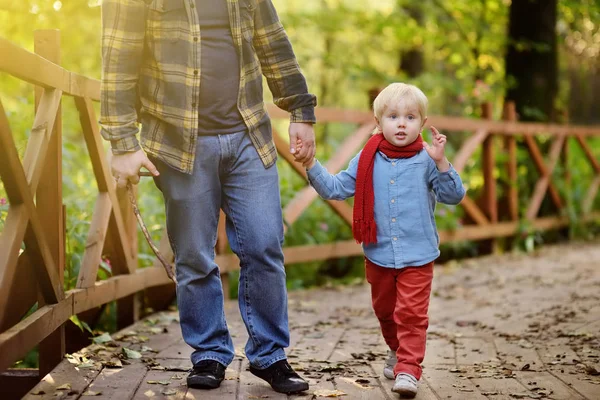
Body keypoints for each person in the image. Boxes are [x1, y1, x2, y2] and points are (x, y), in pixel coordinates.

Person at [100, 0, 316, 394]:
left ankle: (270, 355)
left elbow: (273, 41)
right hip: (178, 141)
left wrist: (300, 110)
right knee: (194, 254)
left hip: (249, 134)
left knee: (265, 243)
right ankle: (210, 353)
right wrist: (122, 141)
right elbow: (119, 58)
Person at [302, 82, 465, 398]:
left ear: (422, 122)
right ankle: (397, 350)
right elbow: (336, 188)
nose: (401, 123)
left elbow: (453, 195)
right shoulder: (367, 157)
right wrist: (310, 164)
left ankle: (408, 369)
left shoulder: (427, 159)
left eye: (410, 117)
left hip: (418, 255)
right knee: (386, 312)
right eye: (392, 116)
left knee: (411, 314)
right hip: (378, 253)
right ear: (378, 123)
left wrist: (442, 163)